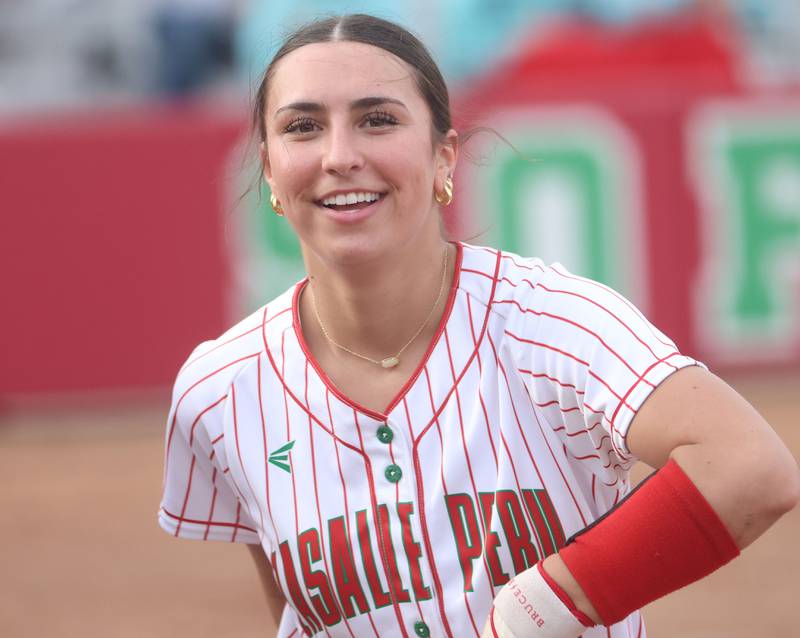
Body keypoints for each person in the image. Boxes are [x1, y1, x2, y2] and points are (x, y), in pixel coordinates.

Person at [158, 13, 799, 638]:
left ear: (445, 157)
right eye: (302, 127)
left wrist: (544, 605)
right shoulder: (219, 392)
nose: (340, 155)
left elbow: (750, 467)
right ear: (269, 169)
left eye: (378, 120)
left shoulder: (553, 323)